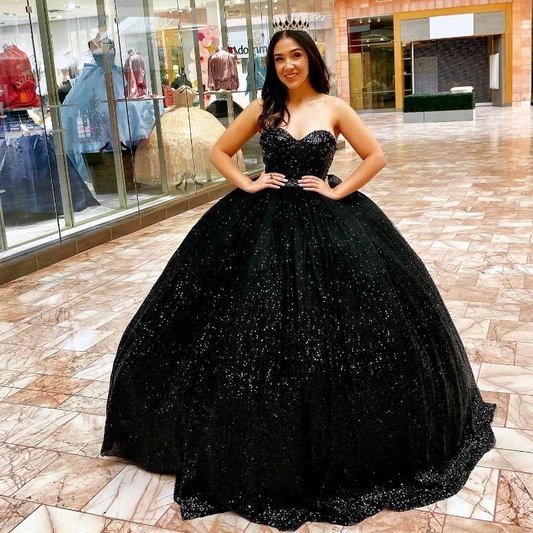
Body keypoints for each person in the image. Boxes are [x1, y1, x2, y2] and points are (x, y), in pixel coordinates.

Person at [101, 28, 495, 530]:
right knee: (241, 319)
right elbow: (220, 152)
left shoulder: (334, 108)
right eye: (279, 58)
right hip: (261, 221)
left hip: (326, 221)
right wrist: (248, 183)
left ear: (310, 59)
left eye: (296, 56)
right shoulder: (263, 109)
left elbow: (375, 156)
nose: (288, 65)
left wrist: (337, 191)